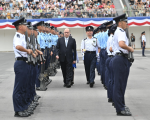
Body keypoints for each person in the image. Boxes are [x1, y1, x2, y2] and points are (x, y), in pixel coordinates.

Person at [12, 18, 34, 117]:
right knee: (19, 87)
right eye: (24, 25)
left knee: (24, 86)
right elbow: (18, 47)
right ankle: (18, 110)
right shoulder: (17, 36)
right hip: (20, 63)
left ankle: (23, 107)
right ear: (20, 27)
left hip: (25, 62)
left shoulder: (22, 36)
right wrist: (27, 50)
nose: (26, 27)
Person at [113, 14, 134, 116]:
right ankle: (120, 108)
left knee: (121, 84)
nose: (126, 23)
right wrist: (130, 48)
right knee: (120, 84)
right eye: (125, 22)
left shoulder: (119, 32)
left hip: (120, 58)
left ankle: (121, 105)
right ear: (120, 22)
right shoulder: (120, 31)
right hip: (120, 59)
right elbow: (121, 44)